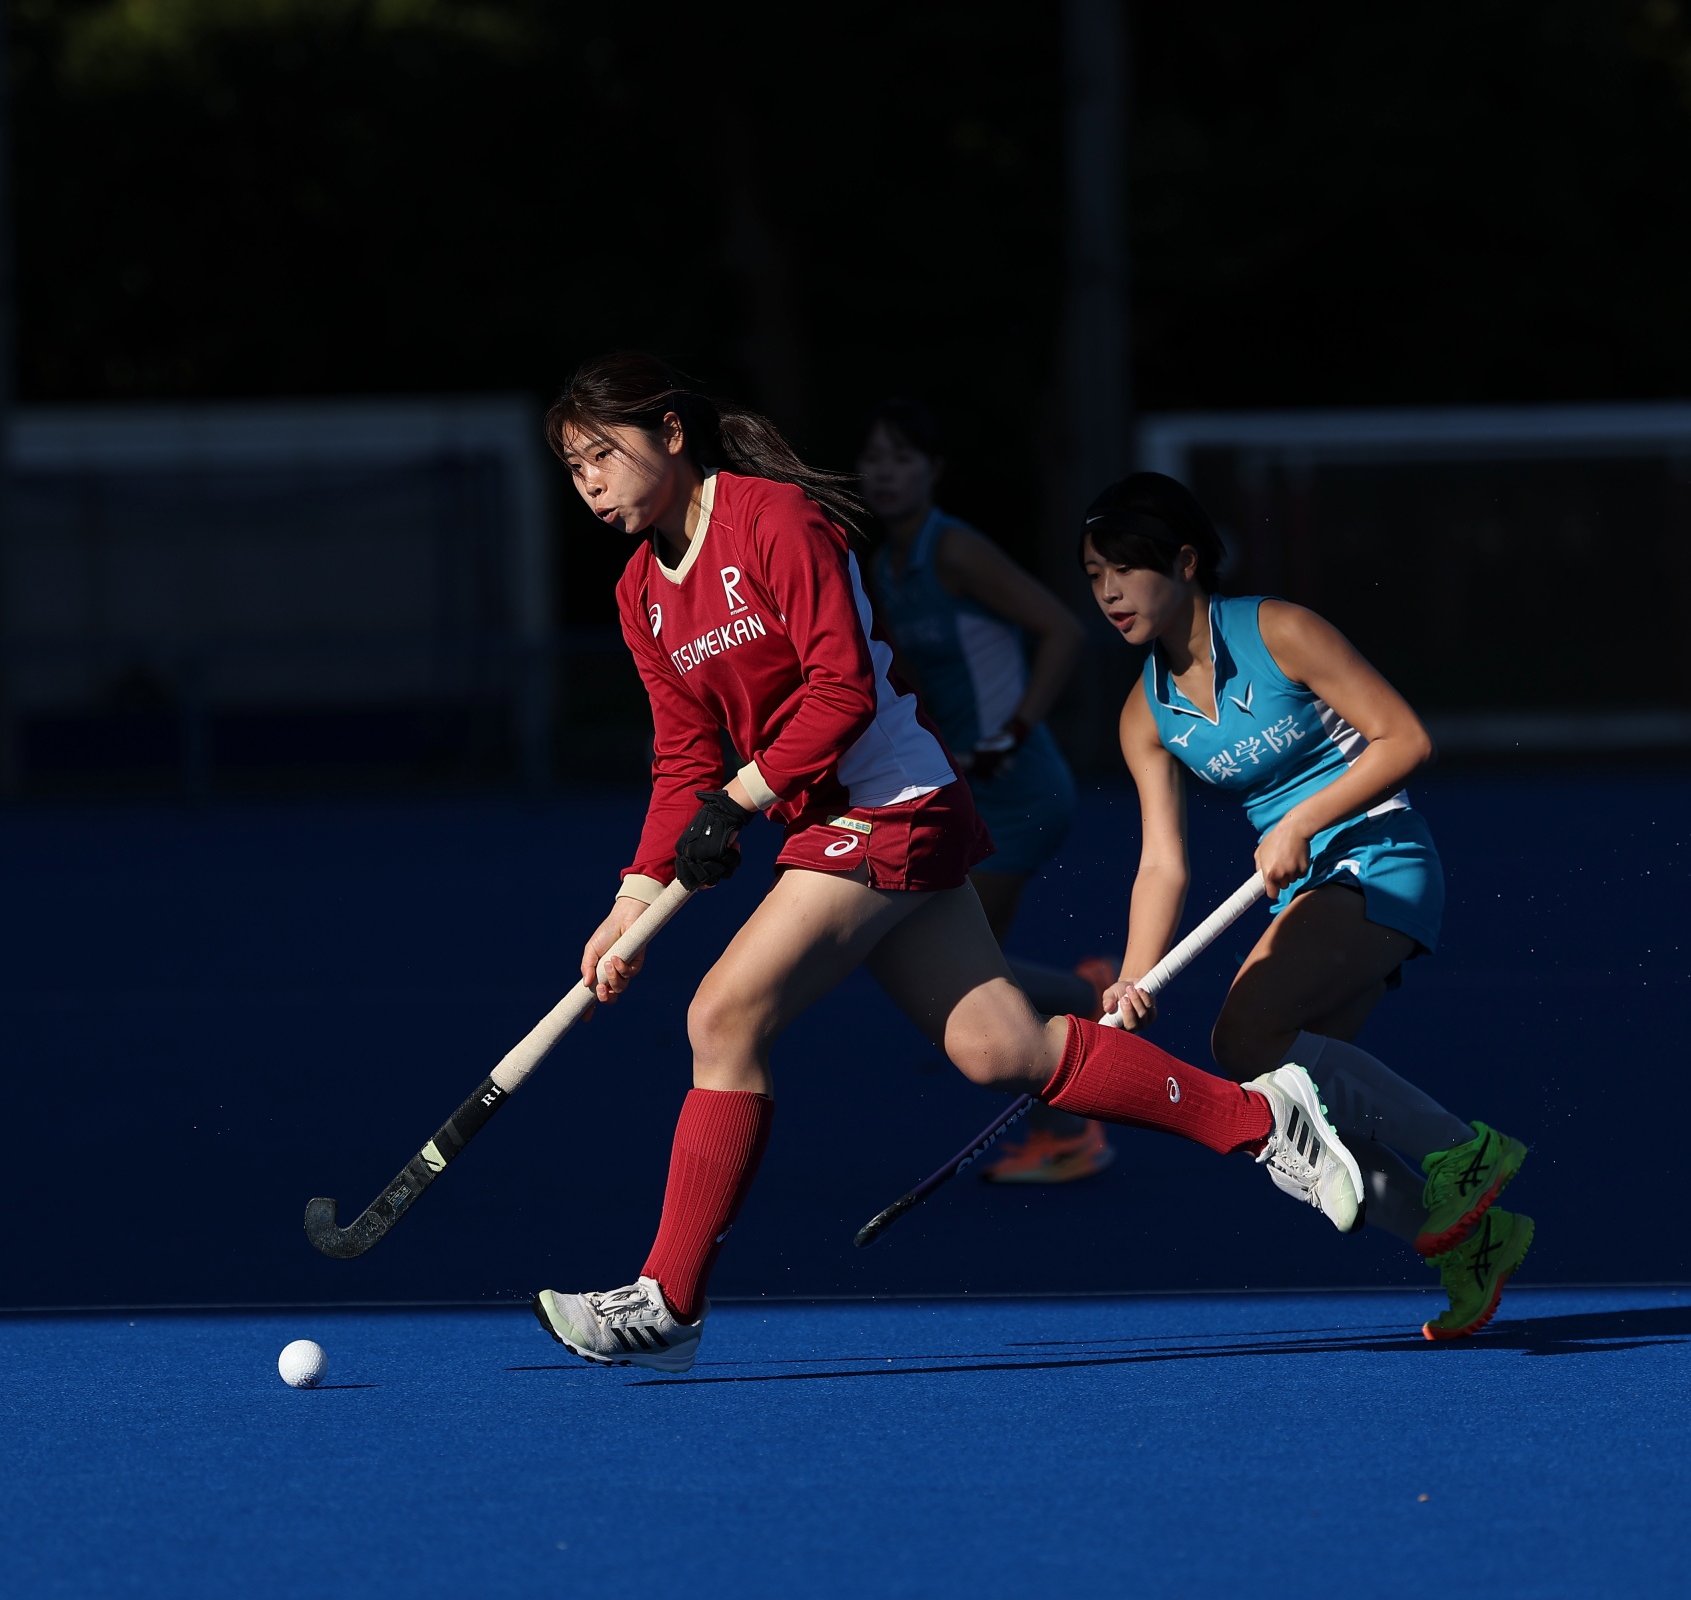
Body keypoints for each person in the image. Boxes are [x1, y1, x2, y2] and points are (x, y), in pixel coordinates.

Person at [529, 354, 1369, 1373]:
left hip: (892, 799)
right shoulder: (641, 594)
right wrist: (632, 899)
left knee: (723, 1016)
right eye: (573, 469)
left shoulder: (775, 520)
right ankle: (1265, 1119)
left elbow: (840, 693)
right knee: (999, 1048)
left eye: (602, 455)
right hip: (828, 817)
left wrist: (739, 803)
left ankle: (667, 1302)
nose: (591, 485)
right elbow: (681, 760)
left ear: (670, 432)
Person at [1079, 471, 1533, 1341]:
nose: (1108, 592)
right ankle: (1471, 1247)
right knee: (1304, 1105)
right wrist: (1135, 979)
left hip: (1381, 858)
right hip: (1308, 885)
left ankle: (1465, 1151)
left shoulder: (1278, 630)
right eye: (1094, 574)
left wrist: (1301, 821)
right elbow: (1161, 863)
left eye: (1125, 568)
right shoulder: (1145, 712)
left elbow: (1406, 737)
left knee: (1242, 1036)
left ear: (1184, 562)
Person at [854, 399, 1114, 1184]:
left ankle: (1073, 1119)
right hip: (964, 788)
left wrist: (1016, 730)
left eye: (902, 459)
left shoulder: (955, 549)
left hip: (1019, 788)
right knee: (959, 969)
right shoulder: (884, 565)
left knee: (970, 977)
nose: (885, 474)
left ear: (934, 471)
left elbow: (1064, 628)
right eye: (874, 460)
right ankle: (1081, 1001)